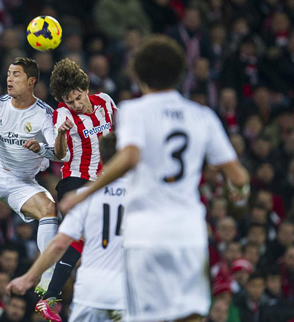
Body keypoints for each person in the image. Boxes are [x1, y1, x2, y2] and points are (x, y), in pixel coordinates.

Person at [60, 35, 250, 322]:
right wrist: (239, 192)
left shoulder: (136, 110)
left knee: (144, 316)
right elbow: (237, 175)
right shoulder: (203, 115)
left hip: (145, 231)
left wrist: (85, 193)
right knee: (191, 314)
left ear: (138, 75)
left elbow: (130, 156)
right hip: (188, 230)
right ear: (180, 73)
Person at [0, 57, 69, 287]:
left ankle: (47, 279)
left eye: (16, 74)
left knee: (49, 208)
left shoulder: (45, 114)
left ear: (31, 82)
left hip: (23, 181)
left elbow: (60, 154)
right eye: (9, 73)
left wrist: (41, 148)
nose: (9, 78)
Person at [8, 133, 125, 322]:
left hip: (90, 289)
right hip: (124, 289)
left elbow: (59, 244)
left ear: (101, 158)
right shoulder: (142, 195)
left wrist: (30, 277)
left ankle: (50, 295)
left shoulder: (83, 196)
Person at [34, 57, 117, 319]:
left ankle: (52, 296)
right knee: (81, 237)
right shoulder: (63, 114)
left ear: (85, 87)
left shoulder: (106, 102)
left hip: (102, 183)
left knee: (91, 240)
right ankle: (51, 293)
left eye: (77, 97)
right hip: (75, 181)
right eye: (69, 100)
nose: (75, 104)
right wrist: (60, 133)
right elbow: (59, 155)